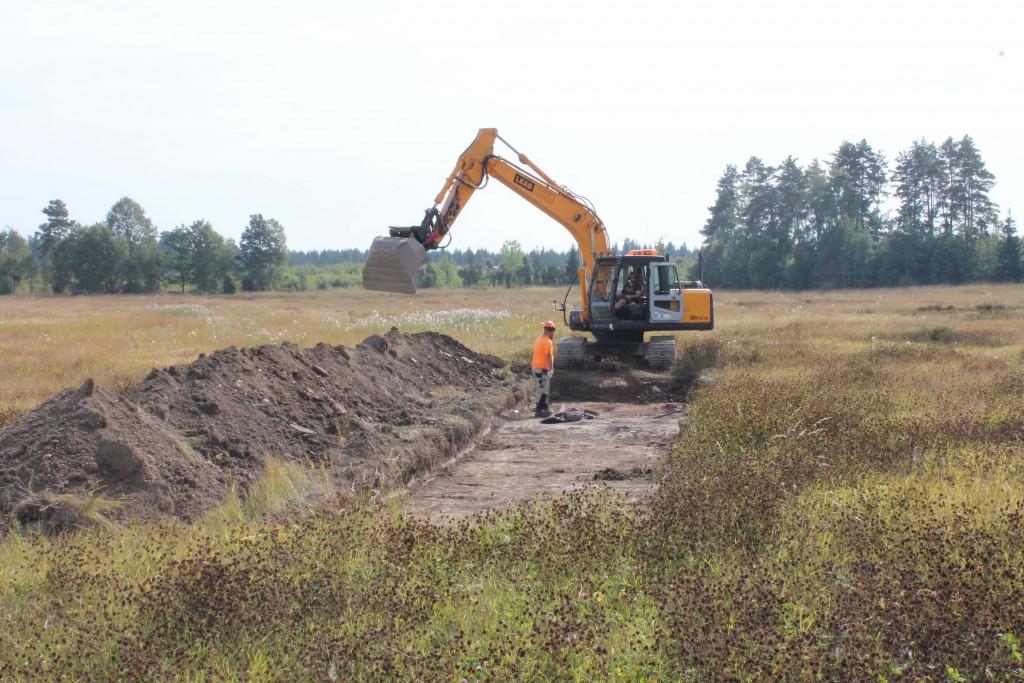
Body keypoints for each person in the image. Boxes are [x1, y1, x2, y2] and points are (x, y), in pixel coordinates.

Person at [532, 321, 556, 418]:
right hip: (542, 368)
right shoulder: (547, 341)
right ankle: (540, 410)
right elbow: (548, 355)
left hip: (536, 367)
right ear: (552, 331)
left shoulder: (538, 339)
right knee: (542, 389)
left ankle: (544, 408)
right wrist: (551, 368)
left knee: (542, 388)